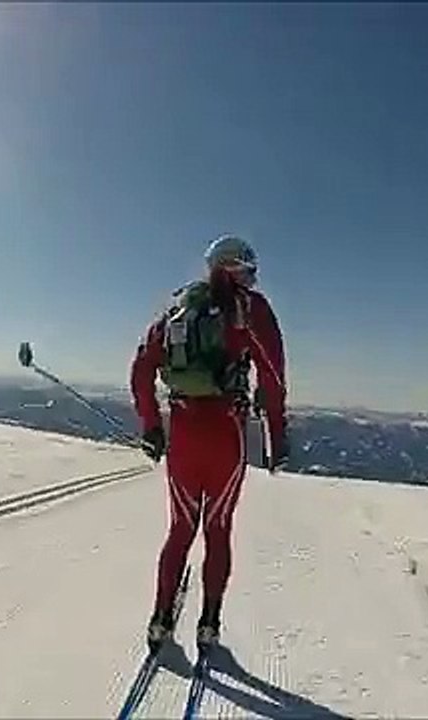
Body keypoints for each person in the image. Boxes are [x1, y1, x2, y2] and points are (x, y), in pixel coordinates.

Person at [128, 233, 290, 653]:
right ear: (237, 268)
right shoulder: (251, 310)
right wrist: (277, 434)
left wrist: (151, 425)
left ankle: (161, 620)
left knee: (180, 529)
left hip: (182, 434)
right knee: (217, 531)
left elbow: (141, 368)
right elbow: (272, 376)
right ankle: (209, 624)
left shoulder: (178, 311)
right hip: (226, 435)